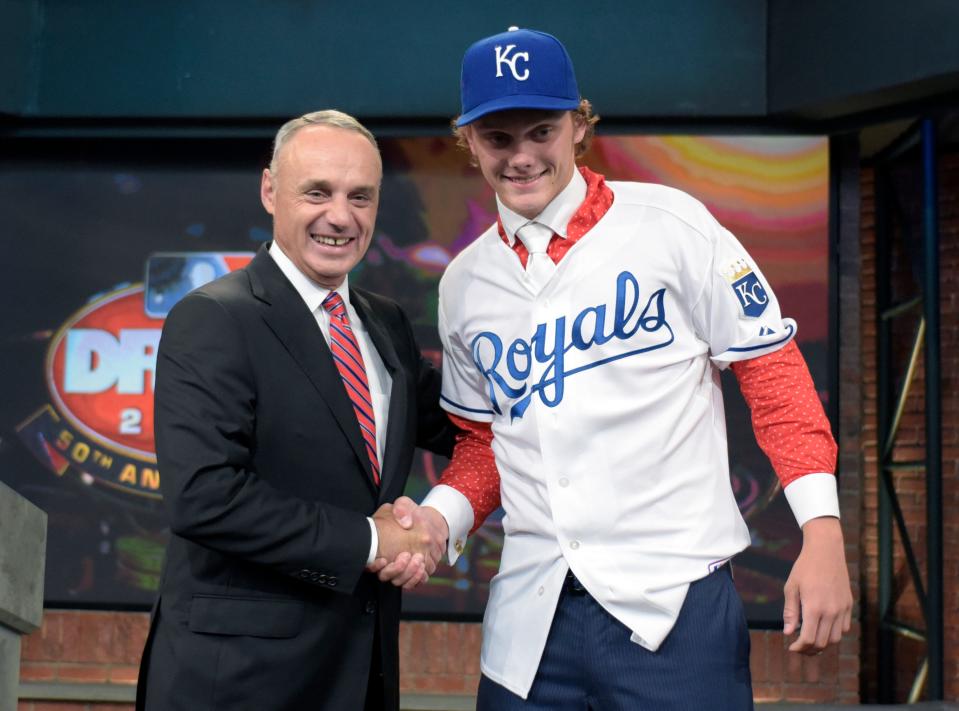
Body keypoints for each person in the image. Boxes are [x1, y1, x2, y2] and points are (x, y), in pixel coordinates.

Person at [383, 27, 853, 710]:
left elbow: (772, 373)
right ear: (469, 141)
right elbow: (484, 444)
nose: (520, 156)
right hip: (531, 617)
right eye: (497, 138)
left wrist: (821, 529)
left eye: (540, 130)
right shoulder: (462, 284)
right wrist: (436, 521)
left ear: (578, 124)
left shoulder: (671, 225)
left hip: (675, 605)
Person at [136, 110, 453, 711]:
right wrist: (371, 540)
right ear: (269, 191)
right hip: (236, 685)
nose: (341, 216)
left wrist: (436, 521)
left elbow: (466, 428)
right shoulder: (215, 318)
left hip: (360, 679)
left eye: (361, 196)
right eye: (318, 192)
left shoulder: (385, 323)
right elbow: (205, 497)